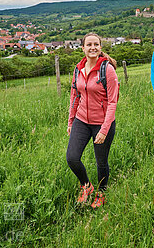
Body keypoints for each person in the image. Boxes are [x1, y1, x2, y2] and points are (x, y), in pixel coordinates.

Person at [66, 32, 119, 208]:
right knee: (72, 158)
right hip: (81, 120)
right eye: (89, 45)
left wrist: (104, 129)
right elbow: (75, 96)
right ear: (83, 48)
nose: (92, 47)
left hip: (102, 122)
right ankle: (86, 186)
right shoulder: (78, 69)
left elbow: (113, 102)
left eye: (96, 44)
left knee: (101, 162)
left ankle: (101, 192)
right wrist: (71, 121)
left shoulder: (107, 70)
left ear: (100, 47)